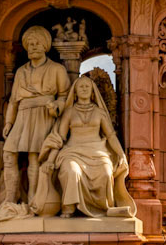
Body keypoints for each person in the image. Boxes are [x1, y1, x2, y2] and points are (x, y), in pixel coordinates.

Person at [40, 73, 136, 218]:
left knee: (106, 172)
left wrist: (122, 155)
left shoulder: (99, 112)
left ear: (92, 91)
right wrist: (50, 160)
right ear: (75, 91)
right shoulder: (69, 112)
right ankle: (69, 207)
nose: (84, 89)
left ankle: (104, 208)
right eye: (81, 86)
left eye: (87, 86)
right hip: (72, 153)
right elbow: (59, 138)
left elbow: (110, 136)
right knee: (72, 171)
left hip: (97, 154)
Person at [0, 26, 70, 210]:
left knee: (35, 157)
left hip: (43, 115)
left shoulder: (57, 69)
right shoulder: (21, 72)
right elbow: (14, 101)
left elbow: (65, 96)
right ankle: (9, 199)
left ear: (45, 46)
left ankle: (34, 199)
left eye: (37, 44)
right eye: (30, 44)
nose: (32, 47)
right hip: (22, 115)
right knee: (8, 154)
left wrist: (56, 107)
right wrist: (9, 122)